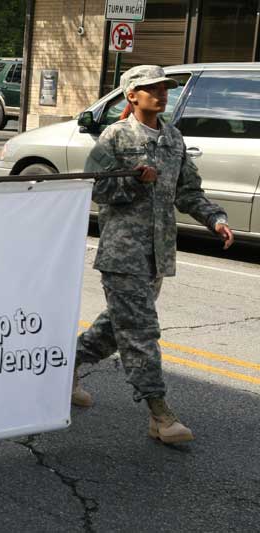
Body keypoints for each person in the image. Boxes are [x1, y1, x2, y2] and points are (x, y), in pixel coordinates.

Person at [72, 65, 234, 444]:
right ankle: (159, 415)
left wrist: (215, 219)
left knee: (118, 327)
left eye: (164, 89)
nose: (161, 94)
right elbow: (94, 189)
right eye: (152, 89)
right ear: (132, 95)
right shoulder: (115, 137)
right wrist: (132, 180)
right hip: (122, 255)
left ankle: (63, 367)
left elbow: (188, 191)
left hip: (157, 256)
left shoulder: (173, 139)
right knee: (142, 332)